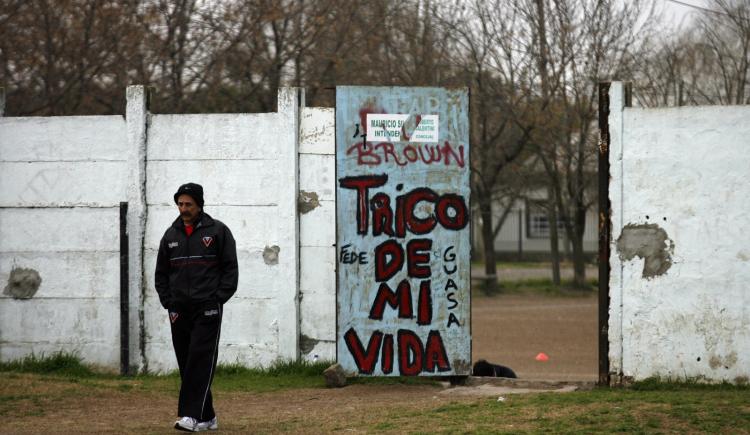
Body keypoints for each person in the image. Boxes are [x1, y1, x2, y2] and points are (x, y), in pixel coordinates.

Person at [155, 183, 238, 432]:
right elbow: (161, 274)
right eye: (180, 204)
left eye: (188, 204)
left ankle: (190, 416)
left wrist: (217, 299)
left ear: (199, 204)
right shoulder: (170, 236)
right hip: (179, 310)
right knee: (187, 361)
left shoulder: (218, 232)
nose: (183, 209)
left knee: (200, 360)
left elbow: (230, 270)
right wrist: (168, 301)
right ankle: (208, 416)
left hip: (207, 309)